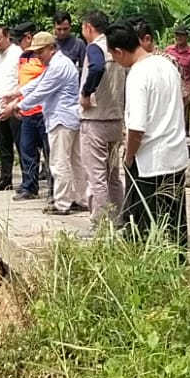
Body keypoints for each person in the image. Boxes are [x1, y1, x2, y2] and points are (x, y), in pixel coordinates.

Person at [109, 24, 190, 253]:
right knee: (174, 222)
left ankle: (146, 267)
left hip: (148, 163)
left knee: (141, 225)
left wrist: (129, 156)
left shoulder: (137, 75)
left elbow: (136, 128)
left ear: (119, 51)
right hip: (175, 156)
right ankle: (178, 263)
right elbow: (182, 100)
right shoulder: (167, 64)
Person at [6, 31, 84, 215]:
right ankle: (79, 198)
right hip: (67, 117)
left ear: (52, 48)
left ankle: (62, 203)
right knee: (74, 161)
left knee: (59, 162)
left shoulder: (58, 66)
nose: (37, 56)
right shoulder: (57, 64)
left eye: (41, 51)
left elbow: (42, 90)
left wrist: (18, 106)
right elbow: (39, 82)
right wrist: (18, 93)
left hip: (61, 118)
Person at [79, 11, 125, 229]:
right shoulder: (117, 48)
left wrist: (87, 92)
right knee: (113, 176)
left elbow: (96, 67)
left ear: (88, 27)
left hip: (95, 120)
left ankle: (100, 224)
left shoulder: (95, 47)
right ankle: (118, 219)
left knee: (96, 175)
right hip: (116, 120)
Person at [0, 24, 23, 191]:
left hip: (15, 108)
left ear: (8, 37)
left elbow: (23, 82)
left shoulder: (17, 54)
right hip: (0, 108)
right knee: (4, 146)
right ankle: (5, 178)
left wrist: (14, 104)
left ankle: (28, 181)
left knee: (22, 146)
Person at [12, 25, 47, 201]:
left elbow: (42, 84)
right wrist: (18, 103)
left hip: (43, 111)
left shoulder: (43, 57)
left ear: (28, 37)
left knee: (49, 152)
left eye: (20, 41)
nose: (19, 45)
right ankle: (29, 187)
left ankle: (55, 190)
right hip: (27, 111)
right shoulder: (23, 57)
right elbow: (22, 83)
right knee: (27, 150)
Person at [164, 25, 190, 138]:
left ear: (186, 37)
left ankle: (185, 136)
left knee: (184, 115)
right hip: (170, 86)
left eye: (181, 35)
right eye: (177, 35)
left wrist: (188, 83)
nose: (178, 37)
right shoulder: (169, 50)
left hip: (185, 87)